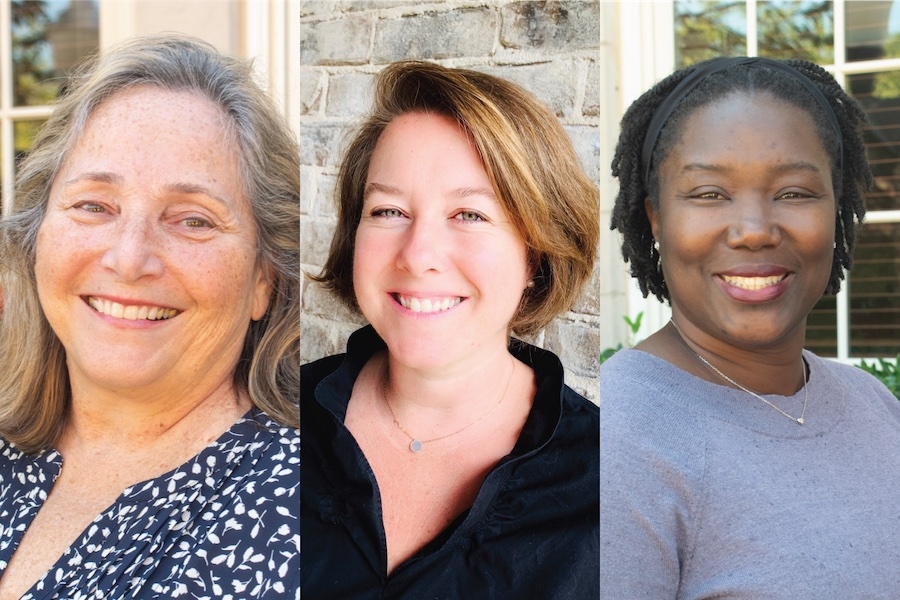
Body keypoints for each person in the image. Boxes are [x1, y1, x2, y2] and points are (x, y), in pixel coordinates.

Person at [0, 35, 299, 599]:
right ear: (36, 237)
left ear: (265, 277)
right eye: (93, 206)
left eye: (192, 220)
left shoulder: (292, 511)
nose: (130, 259)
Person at [601, 56, 900, 597]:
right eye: (709, 194)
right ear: (655, 217)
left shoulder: (873, 405)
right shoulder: (619, 440)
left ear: (835, 211)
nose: (755, 232)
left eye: (794, 193)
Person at [301, 61, 600, 598]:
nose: (418, 256)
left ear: (536, 254)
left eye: (470, 214)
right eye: (388, 210)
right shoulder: (270, 419)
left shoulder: (615, 485)